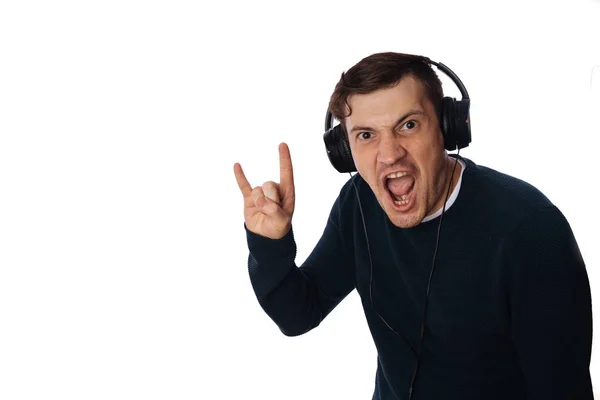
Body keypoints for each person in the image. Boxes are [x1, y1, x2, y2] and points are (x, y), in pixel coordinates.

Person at [233, 52, 594, 399]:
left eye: (408, 125)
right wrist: (270, 245)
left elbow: (562, 390)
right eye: (366, 135)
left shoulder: (531, 232)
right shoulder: (358, 203)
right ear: (344, 150)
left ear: (448, 128)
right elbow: (298, 314)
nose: (389, 154)